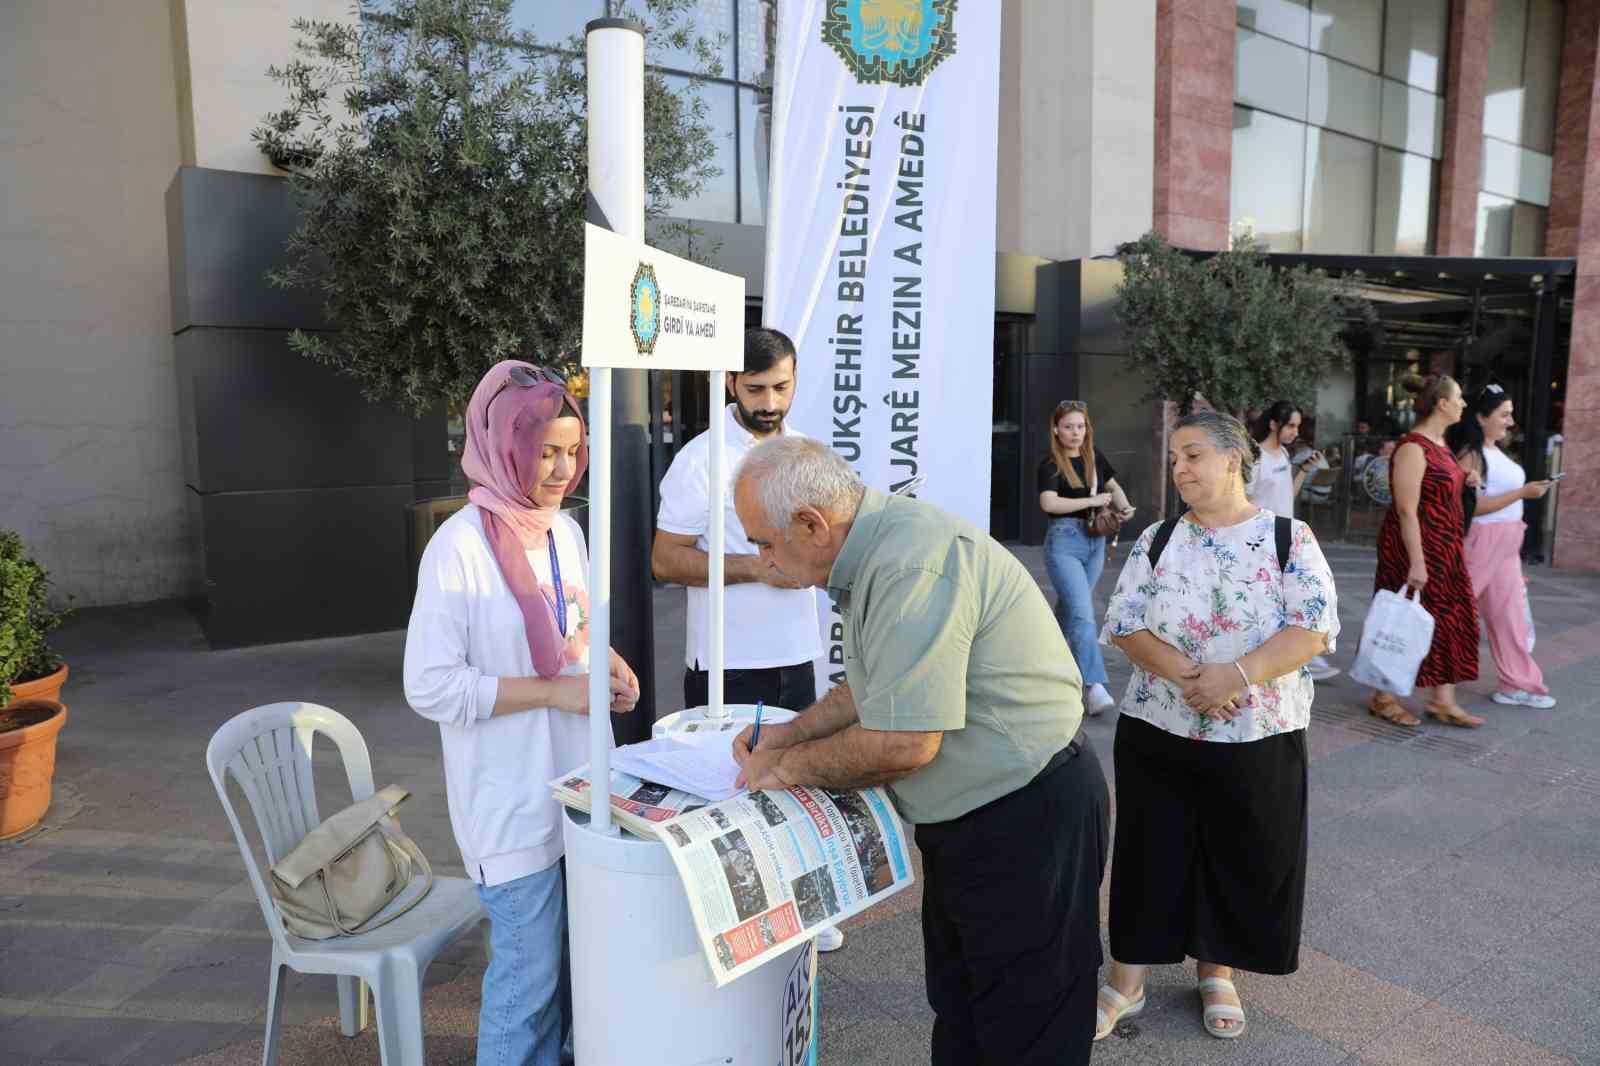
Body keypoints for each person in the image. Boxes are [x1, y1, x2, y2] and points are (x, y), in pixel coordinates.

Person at [730, 436, 1110, 1066]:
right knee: (965, 1009)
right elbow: (874, 685)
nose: (762, 559)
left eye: (765, 542)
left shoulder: (908, 562)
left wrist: (783, 768)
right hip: (982, 814)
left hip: (1027, 813)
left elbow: (905, 741)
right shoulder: (879, 548)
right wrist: (788, 734)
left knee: (1027, 1025)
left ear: (810, 523)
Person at [404, 361, 641, 1066]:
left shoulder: (564, 532)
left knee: (580, 975)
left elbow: (576, 631)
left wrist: (608, 663)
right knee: (527, 988)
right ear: (507, 447)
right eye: (545, 451)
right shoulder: (459, 549)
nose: (562, 469)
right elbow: (431, 686)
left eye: (572, 451)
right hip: (510, 806)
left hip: (582, 788)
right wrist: (555, 692)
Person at [1095, 411, 1339, 1044]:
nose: (1179, 469)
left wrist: (1236, 675)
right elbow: (1123, 623)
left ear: (1234, 459)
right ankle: (1126, 980)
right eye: (1174, 458)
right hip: (1160, 726)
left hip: (1259, 731)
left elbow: (1312, 628)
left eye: (1193, 455)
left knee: (1240, 852)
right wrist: (1192, 678)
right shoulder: (1156, 538)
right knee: (1151, 851)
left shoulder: (1291, 537)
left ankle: (1217, 970)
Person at [650, 328, 842, 951]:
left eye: (781, 386)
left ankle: (805, 913)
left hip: (798, 652)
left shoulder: (810, 454)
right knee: (726, 794)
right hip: (725, 660)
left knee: (800, 780)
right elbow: (665, 560)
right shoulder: (699, 459)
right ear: (731, 383)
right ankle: (731, 922)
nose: (769, 401)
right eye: (756, 388)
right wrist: (754, 568)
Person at [1367, 373, 1482, 728]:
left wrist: (1466, 479)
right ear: (1442, 403)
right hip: (1415, 548)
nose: (1463, 403)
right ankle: (1383, 697)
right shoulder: (1414, 447)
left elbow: (1441, 488)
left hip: (1445, 548)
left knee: (1450, 620)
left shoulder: (1441, 445)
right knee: (1402, 621)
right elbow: (1405, 509)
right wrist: (1416, 562)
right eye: (1459, 397)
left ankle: (1442, 699)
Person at [1449, 383, 1556, 709]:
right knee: (1449, 613)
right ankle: (1396, 672)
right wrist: (1523, 493)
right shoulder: (1471, 454)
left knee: (1510, 617)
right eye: (1504, 414)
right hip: (1482, 540)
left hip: (1508, 543)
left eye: (1511, 415)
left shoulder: (1496, 453)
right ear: (1482, 418)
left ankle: (1516, 684)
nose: (1510, 421)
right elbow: (1471, 507)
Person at [1036, 401, 1135, 715]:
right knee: (1082, 613)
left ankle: (1040, 660)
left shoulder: (1094, 457)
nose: (1075, 432)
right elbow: (1049, 503)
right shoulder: (1051, 463)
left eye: (1080, 426)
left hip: (1095, 542)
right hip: (1064, 542)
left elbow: (1113, 486)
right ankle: (1093, 686)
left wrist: (1125, 506)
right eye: (1068, 426)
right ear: (1056, 429)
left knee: (1070, 610)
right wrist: (1093, 500)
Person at [1248, 401, 1338, 681]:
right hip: (1260, 542)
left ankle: (1304, 657)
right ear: (1274, 424)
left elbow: (1288, 495)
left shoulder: (1283, 454)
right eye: (1290, 425)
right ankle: (1301, 658)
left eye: (1297, 426)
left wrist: (1302, 471)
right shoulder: (1257, 457)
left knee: (1291, 598)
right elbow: (1245, 499)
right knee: (1275, 602)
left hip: (1284, 538)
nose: (1294, 432)